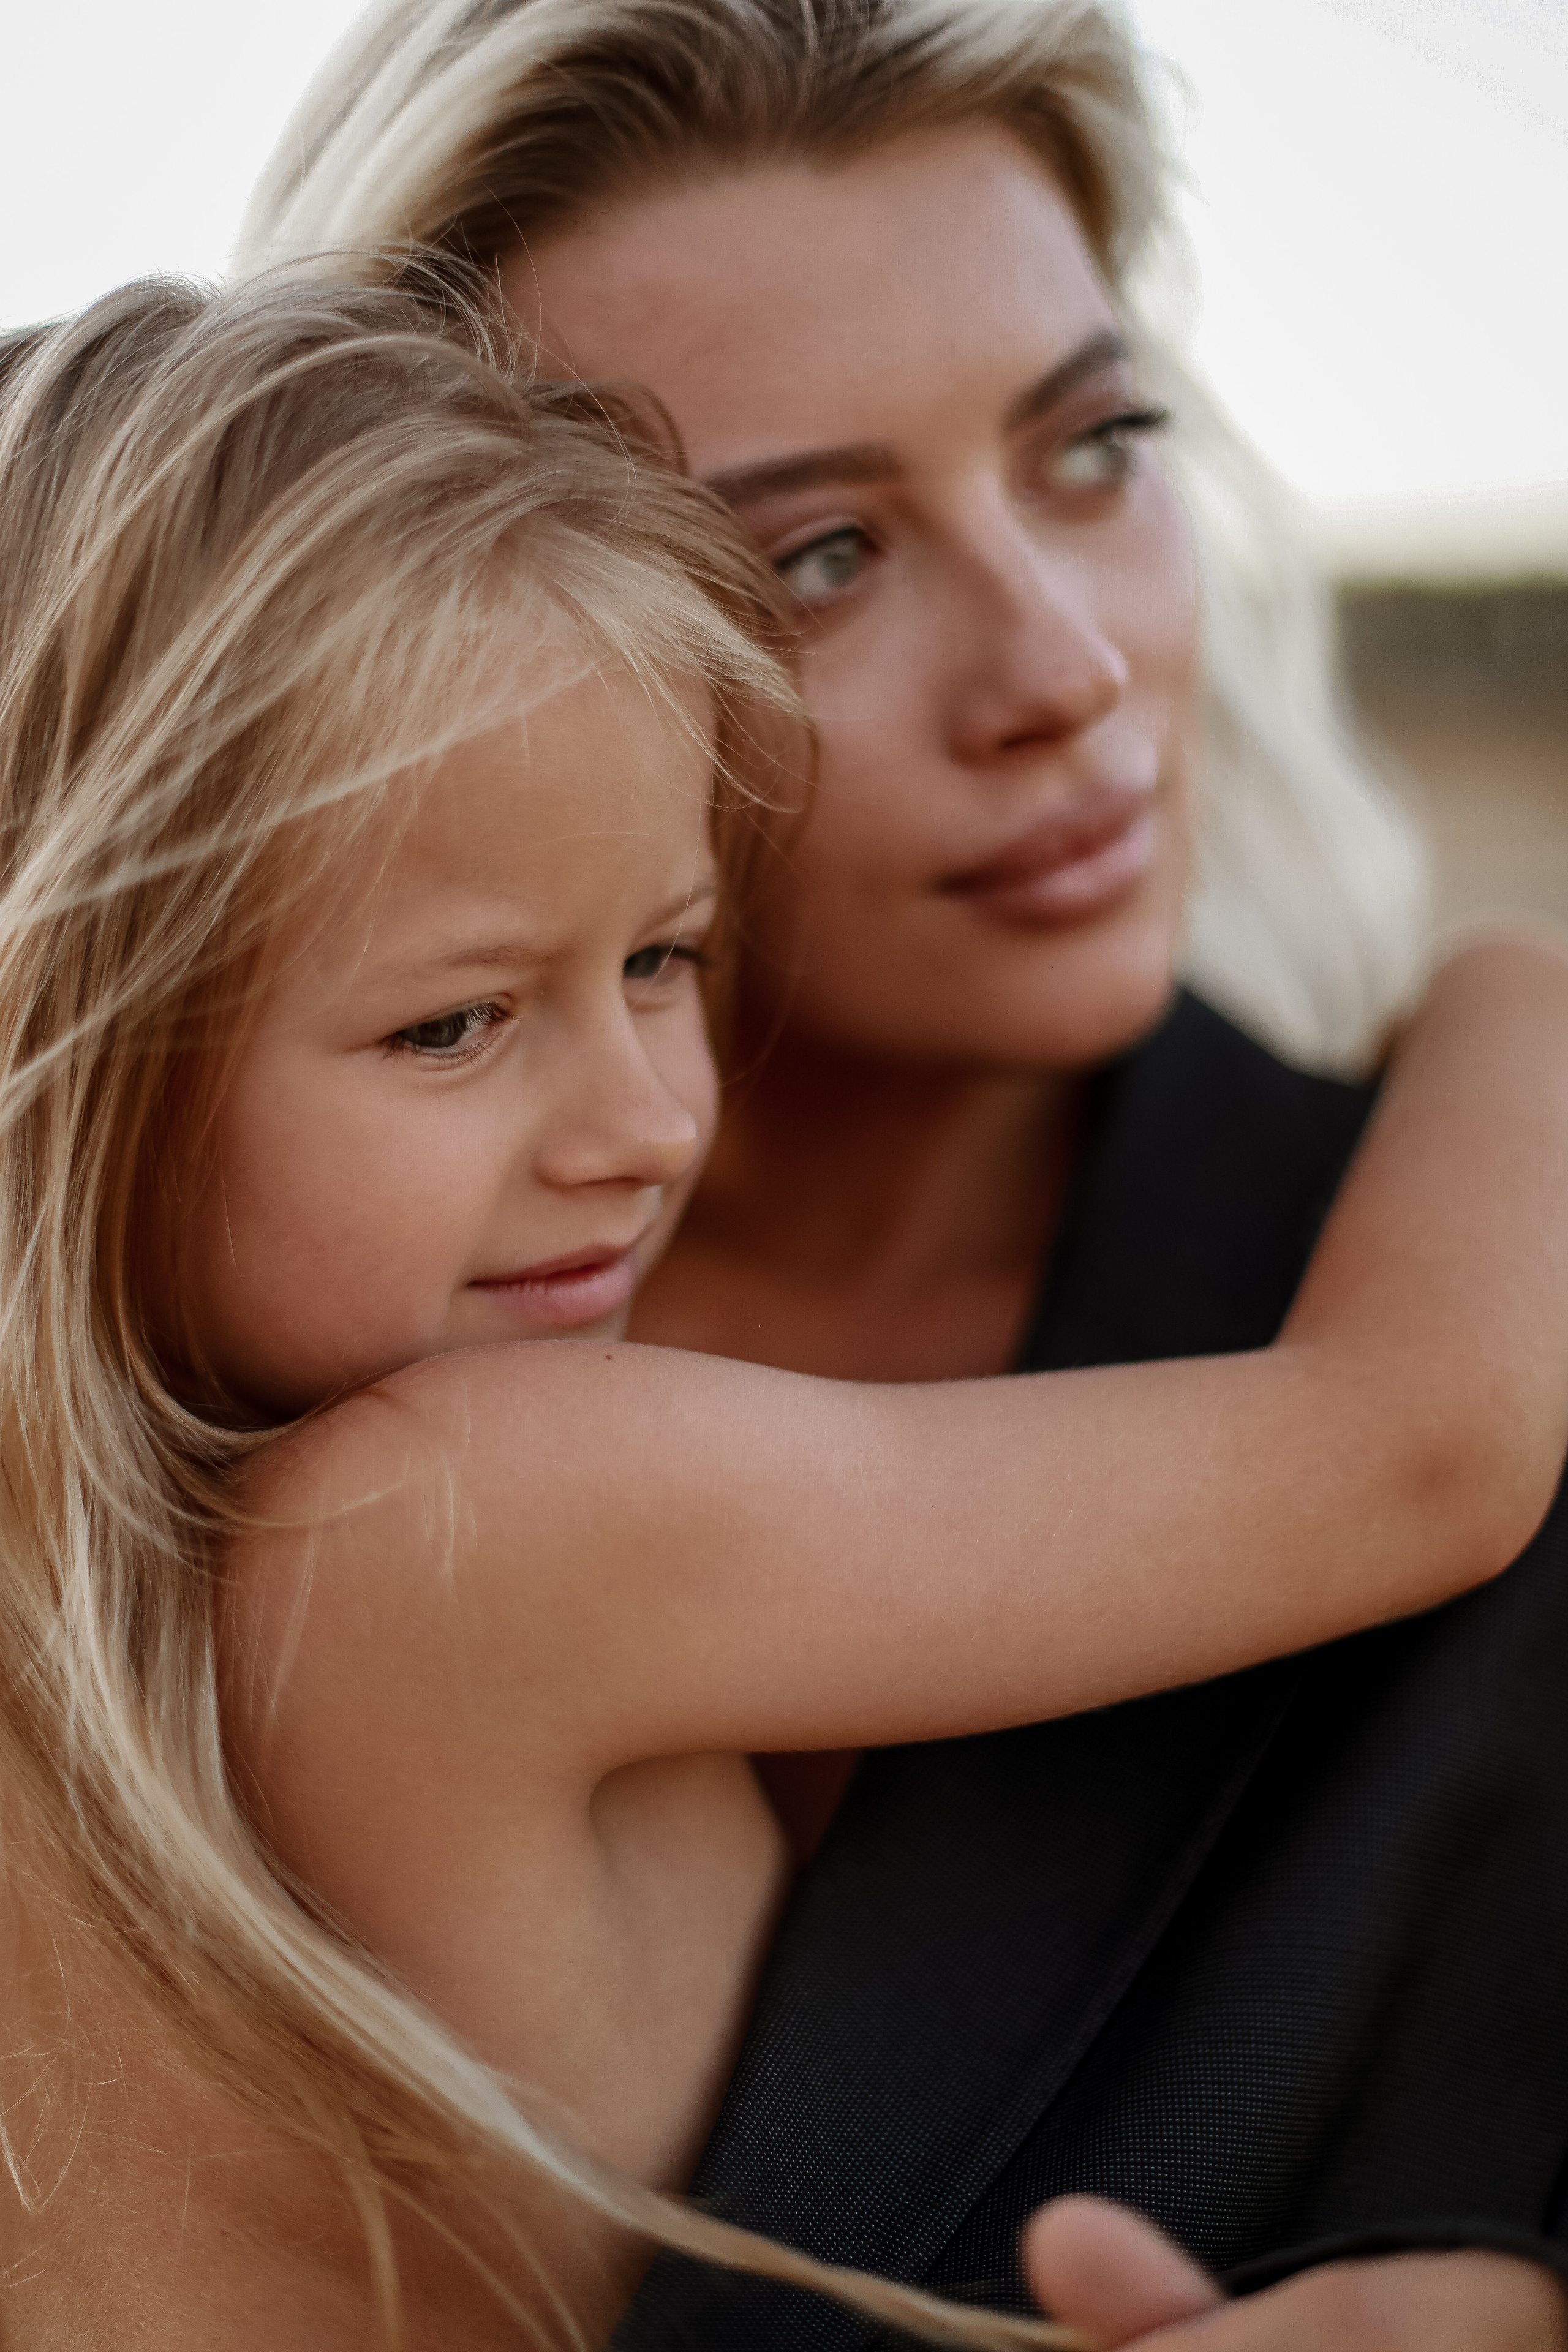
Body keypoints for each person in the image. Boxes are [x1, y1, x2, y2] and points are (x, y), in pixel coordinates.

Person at [2, 273, 1568, 2352]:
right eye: (456, 1023)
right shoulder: (460, 1521)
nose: (649, 1122)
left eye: (664, 958)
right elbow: (1421, 1448)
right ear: (63, 1039)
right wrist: (1513, 993)